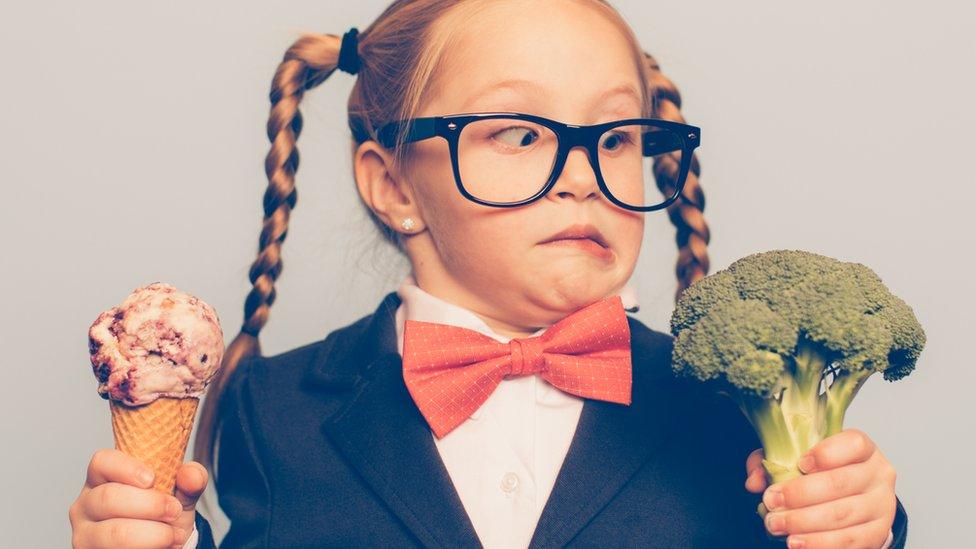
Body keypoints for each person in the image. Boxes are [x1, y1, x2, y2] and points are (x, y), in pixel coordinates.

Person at [69, 1, 907, 547]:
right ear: (395, 185)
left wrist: (858, 522)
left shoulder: (731, 404)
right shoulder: (272, 409)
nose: (584, 172)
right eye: (520, 132)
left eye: (615, 137)